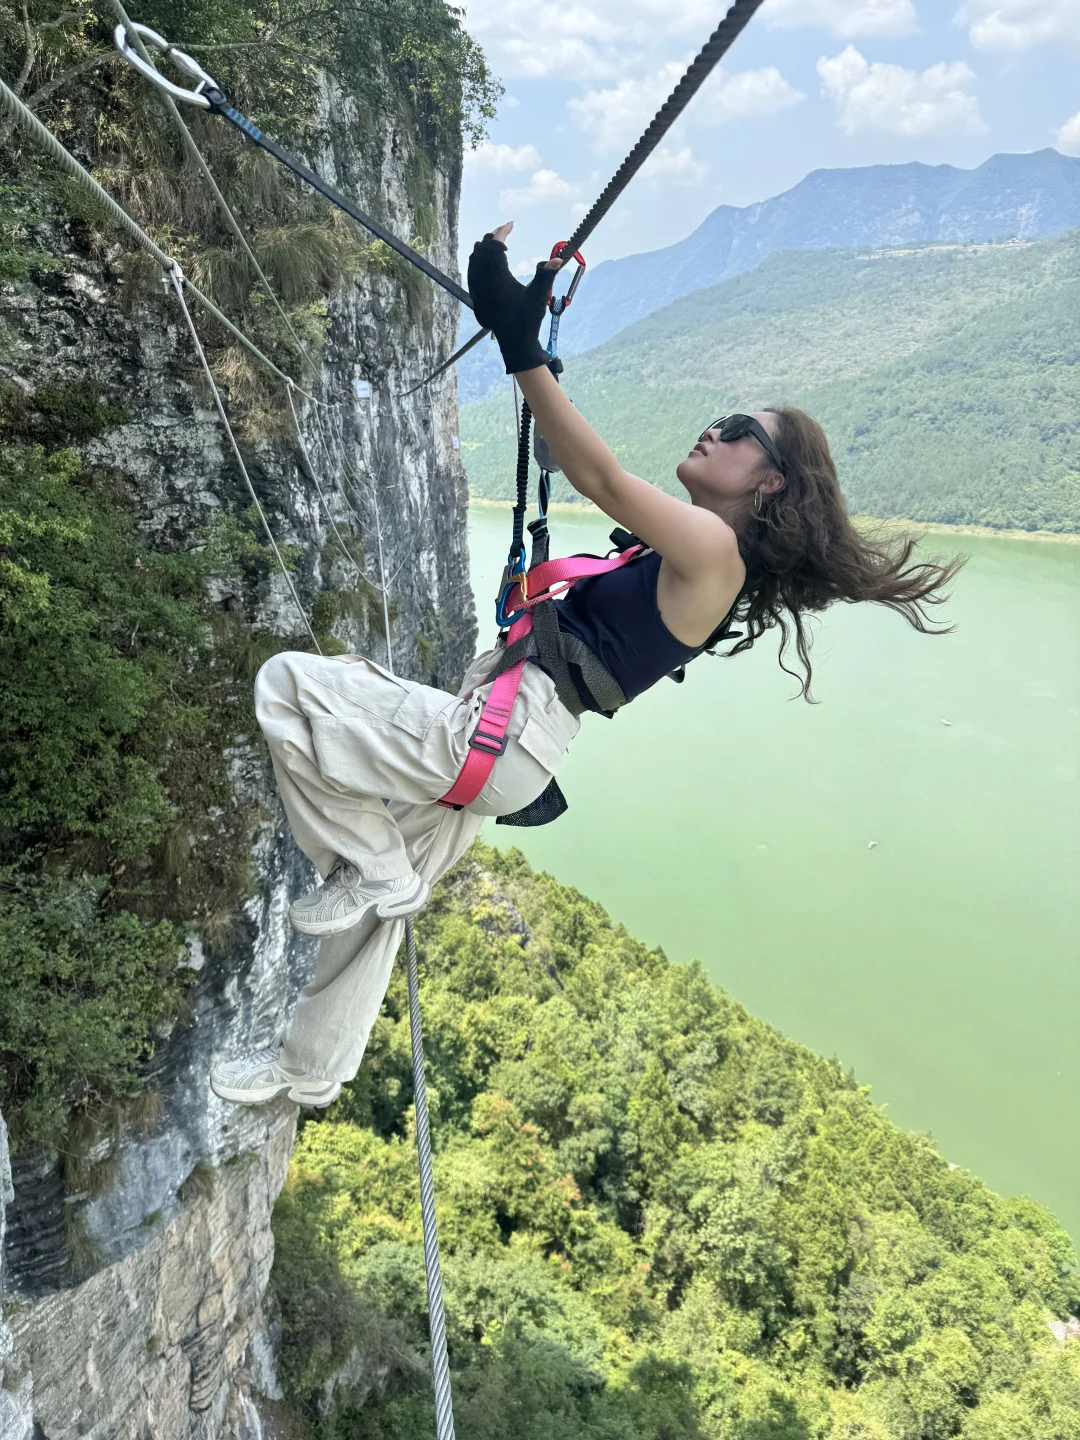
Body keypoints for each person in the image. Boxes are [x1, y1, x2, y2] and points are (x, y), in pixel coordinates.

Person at [210, 223, 962, 1109]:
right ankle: (309, 1069)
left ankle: (373, 862)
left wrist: (516, 338)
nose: (712, 430)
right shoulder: (688, 553)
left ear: (770, 482)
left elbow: (600, 478)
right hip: (510, 737)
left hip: (503, 731)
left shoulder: (715, 557)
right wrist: (532, 355)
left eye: (736, 431)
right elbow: (591, 468)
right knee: (375, 913)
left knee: (290, 687)